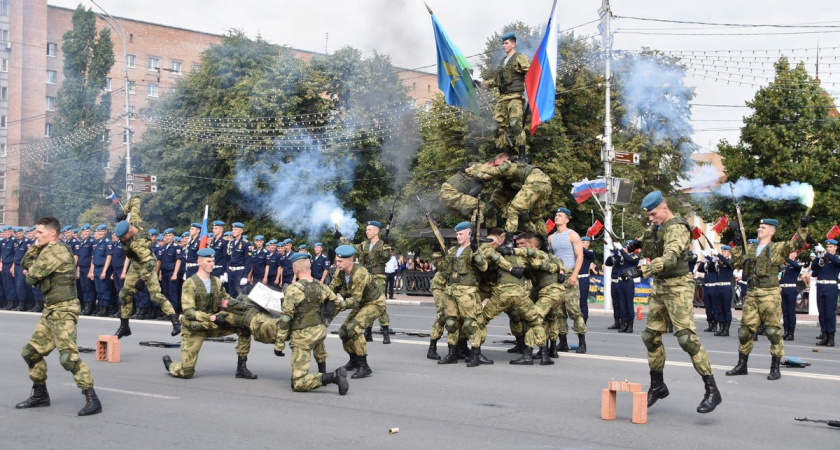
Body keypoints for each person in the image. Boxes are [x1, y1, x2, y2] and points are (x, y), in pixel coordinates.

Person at [619, 191, 721, 413]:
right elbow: (648, 245)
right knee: (650, 336)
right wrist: (636, 244)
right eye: (649, 215)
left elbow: (670, 257)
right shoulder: (657, 227)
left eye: (653, 214)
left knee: (686, 339)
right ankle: (658, 385)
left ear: (664, 208)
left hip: (678, 286)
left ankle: (712, 390)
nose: (650, 218)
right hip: (661, 286)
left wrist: (640, 269)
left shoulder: (677, 228)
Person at [16, 216, 101, 416]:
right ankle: (40, 395)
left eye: (39, 232)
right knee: (31, 352)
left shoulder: (55, 251)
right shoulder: (46, 250)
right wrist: (36, 248)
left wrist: (34, 261)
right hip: (51, 308)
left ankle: (92, 397)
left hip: (63, 309)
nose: (36, 236)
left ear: (52, 233)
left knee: (68, 358)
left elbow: (29, 278)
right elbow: (25, 264)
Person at [726, 216, 810, 380]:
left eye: (763, 227)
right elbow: (734, 263)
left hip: (769, 293)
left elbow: (797, 244)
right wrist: (736, 245)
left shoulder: (778, 248)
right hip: (751, 293)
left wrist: (803, 226)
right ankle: (742, 365)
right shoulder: (750, 247)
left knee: (772, 331)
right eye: (759, 226)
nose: (759, 229)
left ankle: (775, 367)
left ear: (772, 231)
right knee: (744, 331)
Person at [162, 247, 256, 379]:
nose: (212, 264)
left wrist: (247, 306)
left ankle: (241, 368)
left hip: (214, 324)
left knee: (244, 327)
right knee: (186, 372)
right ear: (199, 262)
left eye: (213, 261)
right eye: (208, 261)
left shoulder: (216, 282)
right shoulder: (190, 283)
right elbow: (188, 312)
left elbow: (227, 299)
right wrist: (211, 317)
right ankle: (171, 365)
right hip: (196, 327)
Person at [273, 252, 348, 394]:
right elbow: (337, 304)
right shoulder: (321, 287)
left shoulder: (293, 290)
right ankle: (322, 371)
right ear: (310, 268)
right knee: (318, 347)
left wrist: (279, 344)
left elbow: (286, 319)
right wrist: (326, 321)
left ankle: (332, 377)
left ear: (296, 270)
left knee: (298, 384)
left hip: (302, 335)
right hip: (319, 331)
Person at [112, 197, 182, 339]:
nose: (122, 240)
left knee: (156, 296)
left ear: (129, 232)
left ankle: (175, 322)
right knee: (124, 294)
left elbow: (150, 262)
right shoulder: (134, 220)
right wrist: (124, 212)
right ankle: (124, 326)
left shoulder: (138, 244)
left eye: (123, 238)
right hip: (136, 264)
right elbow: (135, 199)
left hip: (146, 266)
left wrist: (142, 280)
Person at [436, 222, 491, 367]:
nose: (458, 236)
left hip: (467, 291)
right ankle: (452, 353)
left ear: (469, 234)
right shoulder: (453, 250)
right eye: (457, 234)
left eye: (460, 234)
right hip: (451, 290)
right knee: (451, 323)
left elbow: (484, 267)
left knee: (470, 323)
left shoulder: (474, 249)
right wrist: (440, 257)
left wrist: (476, 252)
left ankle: (475, 354)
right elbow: (444, 271)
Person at [330, 245, 386, 378]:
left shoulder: (360, 273)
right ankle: (354, 360)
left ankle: (364, 366)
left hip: (375, 303)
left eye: (340, 261)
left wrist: (338, 305)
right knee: (343, 332)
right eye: (336, 261)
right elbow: (331, 290)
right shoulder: (340, 272)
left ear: (350, 260)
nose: (337, 264)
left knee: (353, 328)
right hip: (361, 304)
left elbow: (354, 300)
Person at [467, 153, 552, 239]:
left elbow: (486, 175)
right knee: (536, 216)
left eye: (498, 164)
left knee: (513, 210)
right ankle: (545, 244)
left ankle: (508, 242)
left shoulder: (509, 166)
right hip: (546, 184)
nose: (496, 166)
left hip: (535, 183)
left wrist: (470, 169)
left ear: (506, 160)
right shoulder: (513, 172)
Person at [337, 220, 392, 344]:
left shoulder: (383, 244)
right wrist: (341, 238)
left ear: (376, 231)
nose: (367, 232)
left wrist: (387, 247)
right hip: (365, 277)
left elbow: (386, 258)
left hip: (378, 278)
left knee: (379, 304)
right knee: (365, 303)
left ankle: (385, 332)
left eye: (369, 230)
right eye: (366, 230)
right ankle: (368, 332)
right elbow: (351, 248)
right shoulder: (364, 244)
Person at [481, 31, 530, 153]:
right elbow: (497, 81)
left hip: (515, 97)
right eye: (502, 43)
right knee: (496, 127)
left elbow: (531, 72)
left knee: (515, 124)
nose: (504, 45)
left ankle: (522, 154)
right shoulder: (503, 62)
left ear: (513, 44)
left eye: (506, 43)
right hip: (503, 98)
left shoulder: (519, 57)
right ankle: (501, 155)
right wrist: (481, 83)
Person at [547, 208, 588, 350]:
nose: (557, 217)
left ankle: (582, 342)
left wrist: (574, 275)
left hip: (570, 273)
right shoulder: (551, 238)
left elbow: (580, 256)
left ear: (567, 219)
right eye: (556, 214)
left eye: (560, 215)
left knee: (574, 310)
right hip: (558, 275)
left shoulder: (573, 235)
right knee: (559, 311)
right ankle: (562, 342)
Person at [810, 239, 840, 346]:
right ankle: (824, 335)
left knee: (830, 313)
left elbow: (837, 262)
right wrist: (818, 257)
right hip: (821, 286)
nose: (828, 248)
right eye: (827, 247)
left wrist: (825, 252)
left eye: (831, 246)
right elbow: (813, 269)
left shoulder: (836, 258)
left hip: (831, 287)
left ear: (835, 248)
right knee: (822, 313)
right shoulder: (823, 258)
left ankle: (831, 338)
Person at [90, 225, 114, 317]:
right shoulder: (96, 243)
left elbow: (109, 257)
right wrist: (92, 271)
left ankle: (105, 309)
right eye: (99, 231)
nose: (100, 233)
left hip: (103, 268)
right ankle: (100, 308)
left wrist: (104, 271)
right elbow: (93, 258)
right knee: (98, 290)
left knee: (104, 289)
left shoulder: (108, 243)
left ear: (106, 232)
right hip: (96, 268)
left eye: (102, 231)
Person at [159, 229, 183, 314]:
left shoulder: (176, 247)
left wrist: (175, 273)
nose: (168, 237)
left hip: (172, 272)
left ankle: (174, 312)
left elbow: (178, 260)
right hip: (165, 272)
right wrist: (160, 273)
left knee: (173, 293)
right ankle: (167, 311)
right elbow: (162, 261)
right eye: (166, 236)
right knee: (165, 293)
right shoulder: (164, 247)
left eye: (169, 235)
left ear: (173, 236)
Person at [780, 251, 801, 341]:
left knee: (791, 312)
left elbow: (797, 266)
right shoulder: (786, 266)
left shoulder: (796, 264)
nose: (788, 254)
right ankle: (786, 331)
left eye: (790, 252)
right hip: (783, 289)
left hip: (791, 289)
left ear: (795, 254)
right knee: (785, 312)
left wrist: (787, 258)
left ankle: (791, 333)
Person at [225, 222, 250, 296]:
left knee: (240, 294)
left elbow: (248, 260)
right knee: (231, 293)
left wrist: (245, 276)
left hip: (239, 272)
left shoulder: (245, 243)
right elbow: (228, 258)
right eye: (233, 229)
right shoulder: (231, 243)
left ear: (241, 231)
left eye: (236, 229)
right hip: (230, 271)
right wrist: (226, 271)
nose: (233, 231)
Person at [714, 246, 735, 337]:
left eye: (725, 251)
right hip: (718, 287)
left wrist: (718, 254)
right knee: (719, 309)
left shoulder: (731, 261)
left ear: (729, 252)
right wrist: (708, 256)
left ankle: (726, 329)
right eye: (722, 251)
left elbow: (728, 263)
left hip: (726, 287)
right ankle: (721, 328)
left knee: (726, 309)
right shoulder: (720, 262)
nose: (723, 252)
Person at [579, 236, 596, 323]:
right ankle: (578, 322)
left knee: (583, 302)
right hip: (576, 278)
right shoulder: (577, 251)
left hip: (583, 278)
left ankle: (583, 321)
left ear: (588, 243)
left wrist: (579, 246)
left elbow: (588, 254)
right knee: (576, 302)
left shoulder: (590, 252)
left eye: (583, 242)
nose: (581, 244)